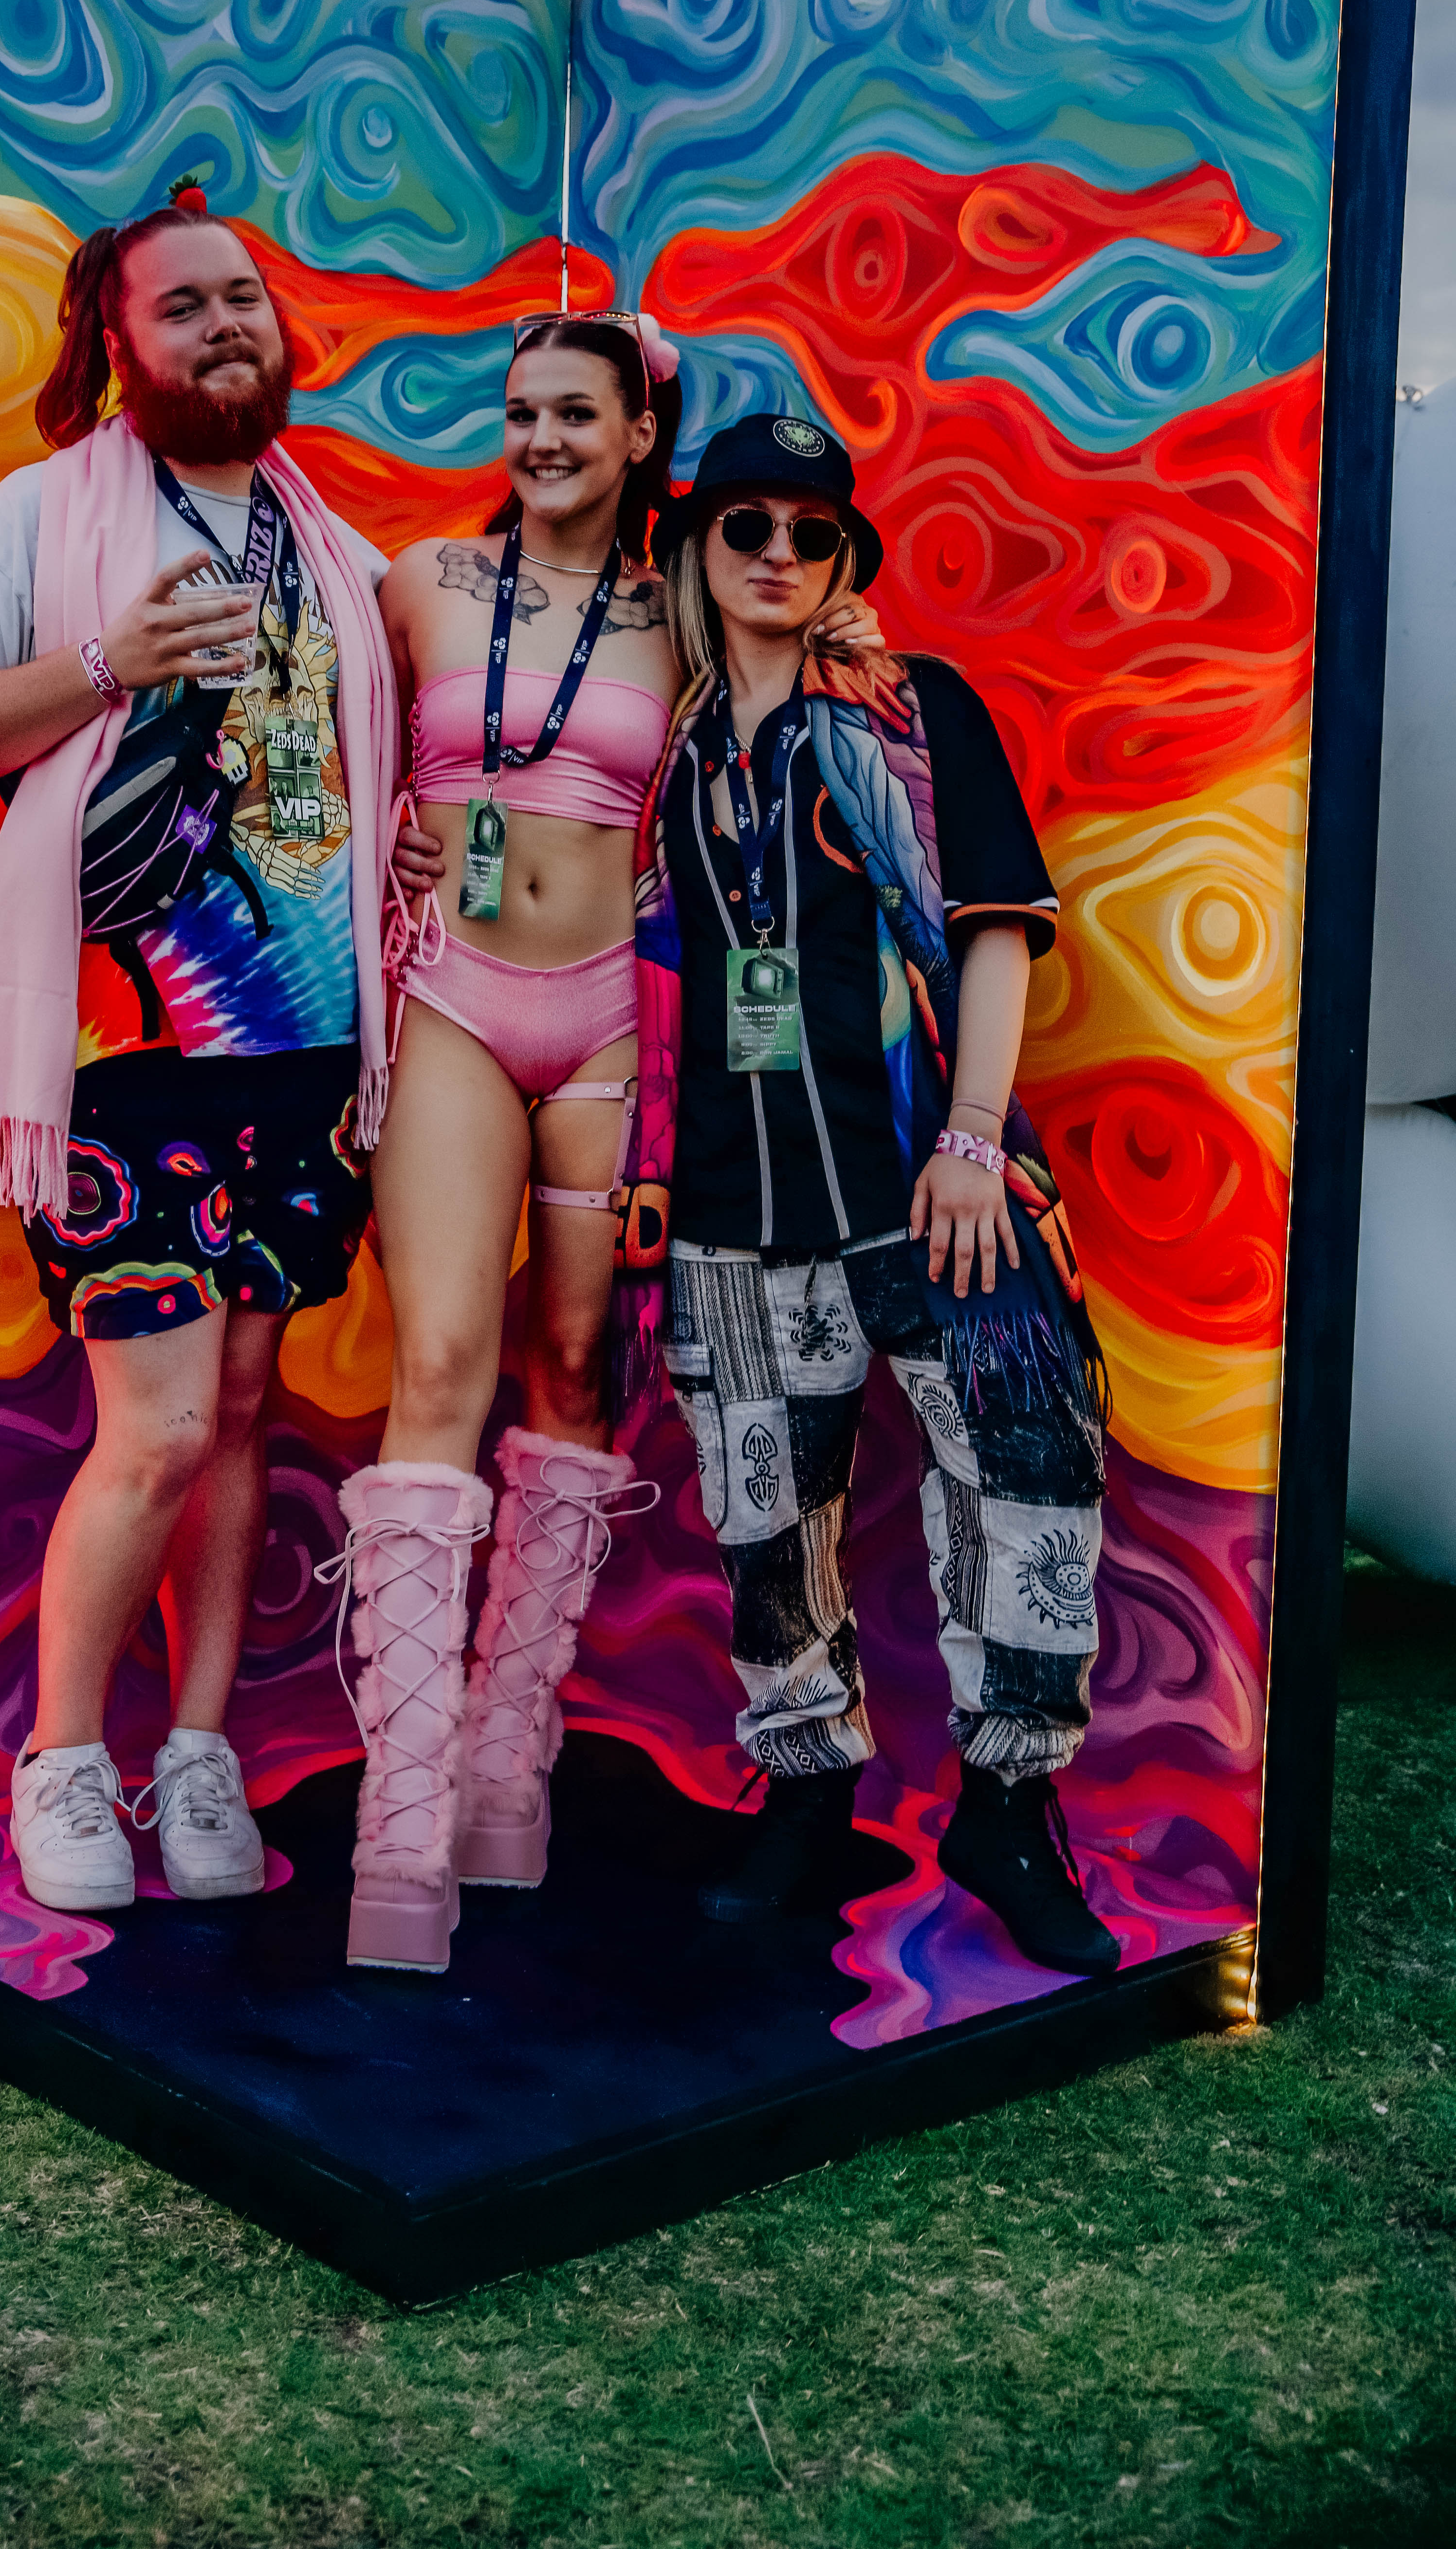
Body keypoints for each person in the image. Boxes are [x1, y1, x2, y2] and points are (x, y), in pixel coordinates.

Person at [0, 185, 409, 1919]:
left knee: (243, 1414)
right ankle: (58, 1762)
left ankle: (195, 1753)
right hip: (128, 1058)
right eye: (184, 305)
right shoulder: (44, 514)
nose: (226, 323)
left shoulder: (335, 549)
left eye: (243, 295)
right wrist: (106, 664)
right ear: (117, 346)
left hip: (312, 1065)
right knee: (162, 1427)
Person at [638, 407, 1120, 1979]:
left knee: (1028, 1475)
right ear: (696, 548)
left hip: (928, 1184)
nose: (779, 553)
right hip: (733, 1206)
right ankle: (805, 1787)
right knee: (766, 1520)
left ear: (844, 558)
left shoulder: (912, 712)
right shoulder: (671, 748)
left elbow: (994, 923)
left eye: (814, 534)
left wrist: (973, 1138)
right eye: (747, 526)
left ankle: (1009, 1809)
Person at [308, 310, 686, 1976]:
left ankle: (506, 1767)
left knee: (579, 1367)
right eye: (523, 411)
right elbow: (312, 751)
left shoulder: (686, 611)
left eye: (577, 414)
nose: (541, 439)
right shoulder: (420, 584)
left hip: (611, 1016)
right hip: (454, 996)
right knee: (444, 1358)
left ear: (640, 434)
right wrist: (380, 836)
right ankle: (403, 1818)